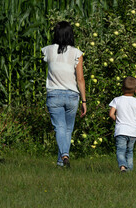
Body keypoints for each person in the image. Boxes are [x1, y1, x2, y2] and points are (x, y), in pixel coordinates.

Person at [42, 21, 87, 168]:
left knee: (59, 127)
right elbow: (80, 79)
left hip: (54, 94)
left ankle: (64, 156)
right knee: (68, 129)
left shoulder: (48, 50)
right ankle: (63, 159)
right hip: (72, 96)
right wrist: (84, 101)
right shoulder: (77, 53)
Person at [109, 76, 136, 172]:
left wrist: (118, 120)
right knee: (130, 151)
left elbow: (111, 114)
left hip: (121, 130)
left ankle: (123, 167)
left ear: (122, 88)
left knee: (120, 150)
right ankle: (129, 170)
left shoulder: (117, 100)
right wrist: (133, 121)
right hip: (133, 131)